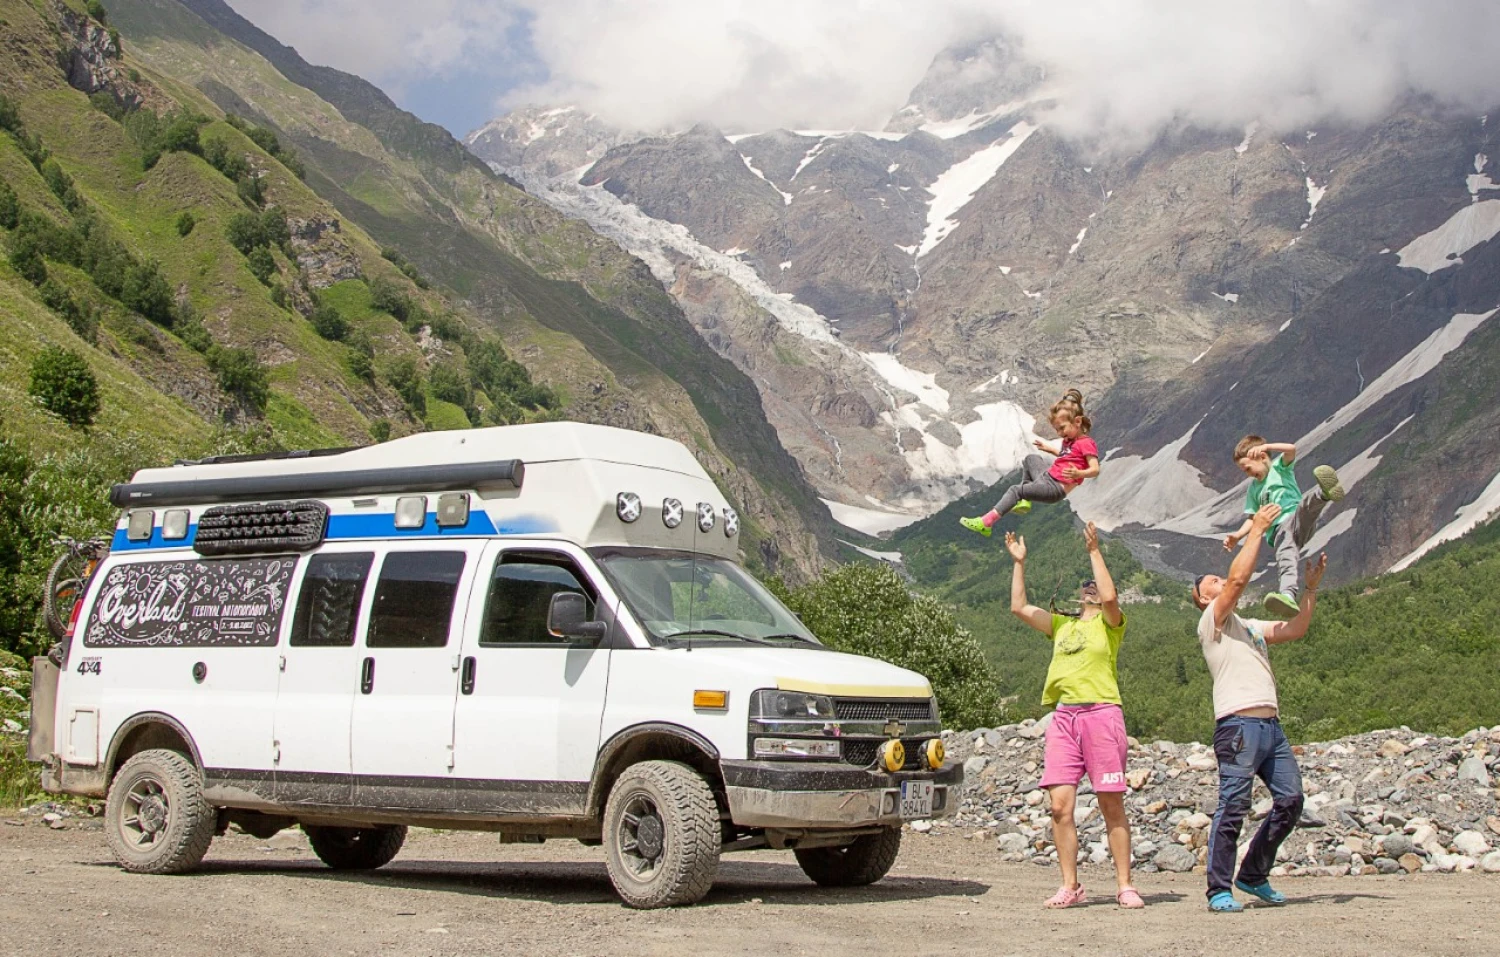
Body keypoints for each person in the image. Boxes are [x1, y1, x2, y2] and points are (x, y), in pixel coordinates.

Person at [1191, 502, 1328, 914]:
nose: (1219, 581)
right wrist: (1256, 532)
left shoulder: (1249, 626)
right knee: (1234, 804)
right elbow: (1236, 580)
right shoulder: (1212, 621)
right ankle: (1219, 888)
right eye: (1210, 581)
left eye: (1216, 578)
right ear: (1202, 599)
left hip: (1271, 727)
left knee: (1291, 800)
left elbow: (1295, 629)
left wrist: (1310, 589)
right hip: (1238, 724)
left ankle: (1252, 874)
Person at [1006, 521, 1143, 909]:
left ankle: (1124, 884)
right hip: (1064, 718)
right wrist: (1019, 562)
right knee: (1059, 805)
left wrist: (1095, 551)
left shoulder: (1110, 625)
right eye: (1086, 585)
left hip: (1102, 714)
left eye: (1094, 585)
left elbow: (1113, 597)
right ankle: (1070, 885)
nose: (1090, 588)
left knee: (1110, 802)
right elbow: (1019, 606)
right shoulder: (1062, 626)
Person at [1221, 435, 1343, 618]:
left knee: (1306, 507)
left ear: (1262, 457)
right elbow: (1253, 518)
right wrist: (1237, 536)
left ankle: (1324, 493)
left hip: (1294, 517)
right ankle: (1288, 595)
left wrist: (1268, 446)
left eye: (1247, 468)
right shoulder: (1254, 489)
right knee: (1286, 558)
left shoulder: (1280, 468)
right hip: (1278, 531)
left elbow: (1291, 449)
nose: (1247, 474)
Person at [961, 390, 1099, 537]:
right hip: (1047, 477)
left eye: (1062, 428)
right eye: (1057, 429)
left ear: (1077, 421)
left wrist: (1079, 473)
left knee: (1016, 490)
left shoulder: (1086, 443)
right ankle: (1024, 501)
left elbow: (1095, 469)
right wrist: (1050, 449)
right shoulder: (1069, 441)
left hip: (1054, 489)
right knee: (1030, 458)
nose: (1059, 433)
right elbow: (1068, 457)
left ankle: (986, 523)